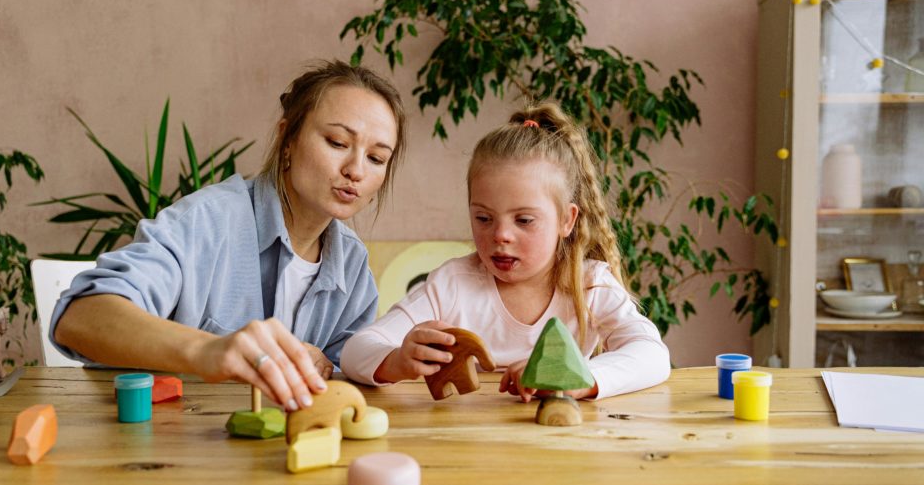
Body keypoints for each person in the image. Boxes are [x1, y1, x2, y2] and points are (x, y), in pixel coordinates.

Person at [52, 60, 407, 412]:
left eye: (377, 158)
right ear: (288, 139)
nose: (356, 170)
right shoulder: (206, 221)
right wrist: (210, 351)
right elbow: (80, 318)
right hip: (163, 451)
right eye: (337, 141)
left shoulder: (353, 266)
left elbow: (343, 391)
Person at [340, 102, 669, 400]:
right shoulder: (451, 285)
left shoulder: (590, 284)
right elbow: (355, 350)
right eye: (483, 218)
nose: (500, 235)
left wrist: (581, 377)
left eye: (524, 220)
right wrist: (396, 361)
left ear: (566, 220)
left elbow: (652, 354)